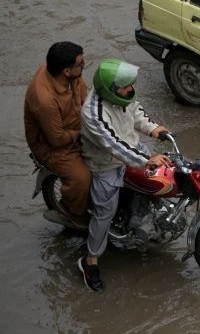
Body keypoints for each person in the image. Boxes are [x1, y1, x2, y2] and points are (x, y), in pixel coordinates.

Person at [77, 58, 171, 291]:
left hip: (134, 150)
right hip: (106, 164)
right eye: (125, 86)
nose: (130, 89)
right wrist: (146, 160)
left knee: (158, 181)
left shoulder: (124, 96)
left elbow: (136, 112)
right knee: (104, 213)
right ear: (110, 89)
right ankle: (90, 261)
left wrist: (153, 128)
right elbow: (113, 145)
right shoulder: (93, 113)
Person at [24, 42, 91, 227]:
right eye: (80, 63)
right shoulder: (44, 99)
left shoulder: (71, 75)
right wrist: (81, 134)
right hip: (54, 146)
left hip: (77, 126)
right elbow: (57, 139)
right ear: (66, 71)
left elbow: (86, 99)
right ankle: (74, 214)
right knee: (82, 179)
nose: (83, 65)